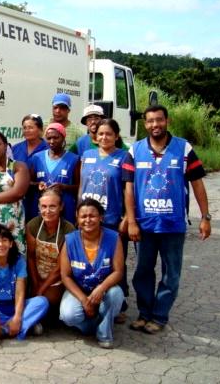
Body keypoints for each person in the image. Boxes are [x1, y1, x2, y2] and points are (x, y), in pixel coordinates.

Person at [123, 104, 211, 334]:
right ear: (145, 124)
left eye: (159, 120)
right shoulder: (135, 150)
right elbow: (129, 189)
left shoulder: (183, 149)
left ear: (167, 121)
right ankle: (144, 313)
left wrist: (205, 216)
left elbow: (198, 183)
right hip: (145, 225)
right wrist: (131, 221)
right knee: (143, 271)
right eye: (150, 121)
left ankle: (159, 316)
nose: (155, 125)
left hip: (173, 225)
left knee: (171, 273)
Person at [80, 118, 129, 321]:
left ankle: (119, 304)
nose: (104, 137)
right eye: (100, 134)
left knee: (116, 264)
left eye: (108, 134)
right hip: (87, 219)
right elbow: (81, 186)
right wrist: (78, 212)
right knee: (91, 261)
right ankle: (91, 298)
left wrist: (127, 217)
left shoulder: (124, 157)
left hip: (111, 220)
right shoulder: (87, 155)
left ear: (116, 136)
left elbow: (128, 189)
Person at [59, 199, 124, 349]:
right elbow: (65, 276)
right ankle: (94, 326)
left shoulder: (113, 238)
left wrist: (100, 289)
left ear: (101, 217)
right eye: (83, 216)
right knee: (68, 315)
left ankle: (104, 333)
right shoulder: (70, 240)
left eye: (92, 216)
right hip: (79, 290)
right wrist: (83, 300)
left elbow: (118, 271)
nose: (87, 220)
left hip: (105, 290)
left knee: (115, 295)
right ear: (77, 217)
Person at [0, 224, 49, 342]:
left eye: (4, 240)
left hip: (13, 306)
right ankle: (25, 325)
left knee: (42, 302)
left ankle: (4, 330)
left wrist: (17, 317)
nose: (1, 244)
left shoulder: (19, 261)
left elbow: (20, 293)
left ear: (11, 243)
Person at [25, 187, 75, 313]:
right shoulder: (33, 225)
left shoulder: (69, 230)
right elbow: (30, 257)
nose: (47, 211)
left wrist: (42, 289)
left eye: (52, 206)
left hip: (57, 278)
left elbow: (60, 267)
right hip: (36, 274)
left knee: (47, 299)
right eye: (44, 206)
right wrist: (36, 283)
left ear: (61, 207)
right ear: (39, 207)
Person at [31, 122, 80, 223]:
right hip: (43, 209)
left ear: (63, 138)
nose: (52, 141)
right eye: (48, 138)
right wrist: (37, 184)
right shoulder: (37, 158)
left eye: (56, 138)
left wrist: (64, 187)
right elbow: (28, 182)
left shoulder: (74, 159)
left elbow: (79, 186)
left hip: (66, 208)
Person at [11, 114, 48, 222]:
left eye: (31, 127)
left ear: (40, 129)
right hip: (18, 196)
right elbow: (10, 169)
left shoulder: (48, 148)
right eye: (25, 128)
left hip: (39, 196)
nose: (27, 130)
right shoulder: (15, 149)